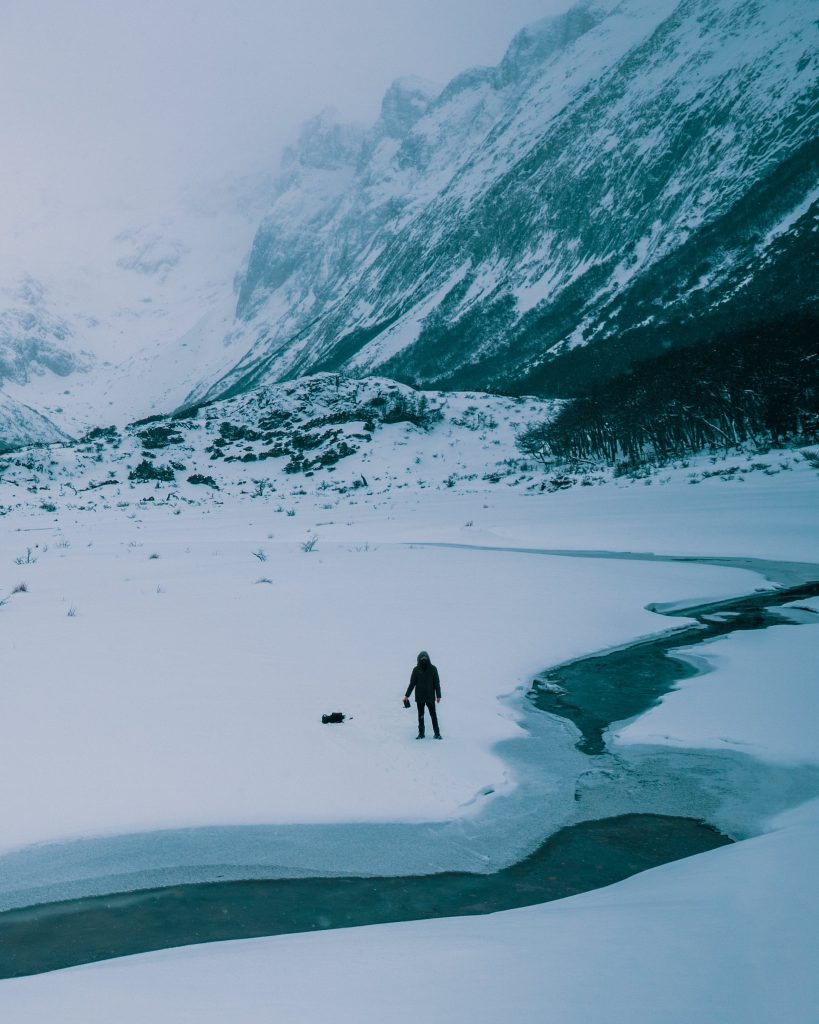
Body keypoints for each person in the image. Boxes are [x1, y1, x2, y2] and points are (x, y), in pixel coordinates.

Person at [404, 650, 442, 739]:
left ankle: (437, 733)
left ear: (428, 659)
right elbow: (412, 683)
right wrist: (407, 695)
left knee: (433, 715)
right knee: (421, 716)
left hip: (430, 697)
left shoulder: (433, 669)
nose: (423, 659)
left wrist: (439, 695)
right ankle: (421, 734)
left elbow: (437, 683)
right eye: (422, 658)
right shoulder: (416, 669)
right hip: (420, 697)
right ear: (419, 659)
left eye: (425, 658)